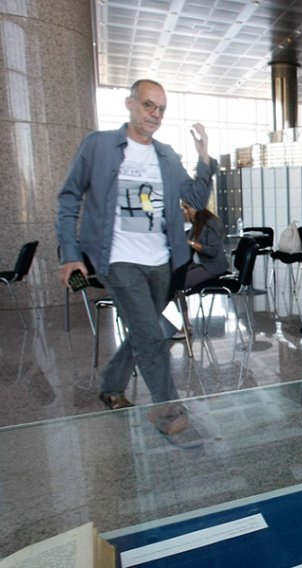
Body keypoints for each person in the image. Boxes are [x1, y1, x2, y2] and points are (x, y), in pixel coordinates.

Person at [56, 78, 218, 415]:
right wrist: (70, 254)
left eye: (161, 109)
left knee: (145, 329)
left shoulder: (166, 155)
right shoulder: (98, 145)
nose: (155, 114)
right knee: (150, 335)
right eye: (149, 105)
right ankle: (169, 410)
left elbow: (195, 198)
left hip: (162, 262)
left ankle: (111, 386)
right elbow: (69, 197)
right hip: (117, 260)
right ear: (130, 104)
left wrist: (204, 159)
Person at [174, 201, 229, 335]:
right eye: (183, 208)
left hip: (212, 266)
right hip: (200, 263)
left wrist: (190, 243)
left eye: (187, 208)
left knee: (176, 284)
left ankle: (186, 326)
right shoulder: (196, 224)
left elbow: (212, 252)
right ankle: (185, 324)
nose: (185, 212)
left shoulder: (211, 224)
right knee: (173, 281)